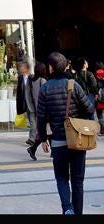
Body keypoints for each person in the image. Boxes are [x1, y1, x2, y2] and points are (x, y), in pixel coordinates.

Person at [36, 51, 96, 215]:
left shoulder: (45, 89)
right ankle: (78, 213)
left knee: (62, 178)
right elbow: (89, 109)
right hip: (77, 140)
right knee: (78, 181)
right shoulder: (73, 85)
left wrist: (42, 139)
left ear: (51, 68)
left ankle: (67, 209)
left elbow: (40, 117)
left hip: (58, 142)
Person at [26, 62, 48, 160]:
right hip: (43, 108)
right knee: (46, 130)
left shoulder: (32, 80)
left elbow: (29, 95)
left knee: (45, 130)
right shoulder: (42, 80)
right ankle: (32, 148)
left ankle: (33, 149)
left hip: (36, 108)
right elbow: (46, 96)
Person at [16, 60, 33, 145]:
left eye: (22, 67)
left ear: (26, 68)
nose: (20, 68)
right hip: (24, 102)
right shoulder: (20, 78)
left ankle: (32, 138)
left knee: (32, 121)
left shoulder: (32, 77)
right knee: (30, 121)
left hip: (31, 103)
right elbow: (19, 92)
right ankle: (33, 137)